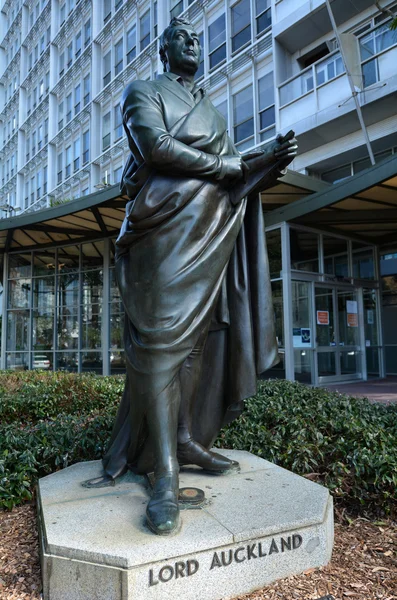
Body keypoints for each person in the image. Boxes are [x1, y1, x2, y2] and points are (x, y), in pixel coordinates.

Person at [87, 17, 297, 536]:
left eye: (198, 38)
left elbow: (228, 169)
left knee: (199, 343)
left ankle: (183, 439)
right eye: (182, 37)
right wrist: (228, 167)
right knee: (160, 347)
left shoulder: (211, 108)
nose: (194, 43)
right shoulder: (143, 92)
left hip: (211, 229)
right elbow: (157, 150)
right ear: (163, 51)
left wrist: (262, 163)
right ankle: (164, 477)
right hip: (163, 231)